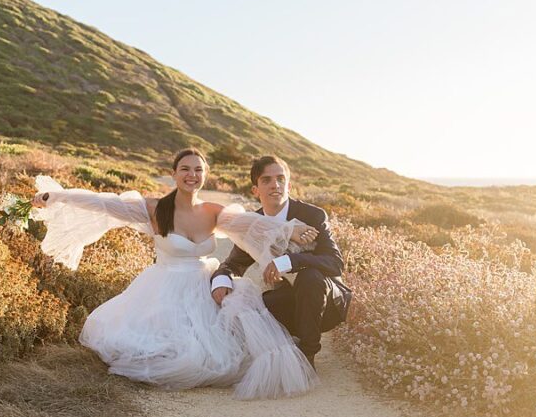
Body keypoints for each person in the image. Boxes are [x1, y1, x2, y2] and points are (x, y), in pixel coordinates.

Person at [30, 148, 321, 399]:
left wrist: (290, 229)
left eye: (198, 170)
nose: (191, 175)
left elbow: (250, 223)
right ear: (174, 174)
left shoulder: (213, 211)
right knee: (167, 350)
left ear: (204, 175)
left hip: (201, 282)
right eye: (185, 169)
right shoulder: (155, 208)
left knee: (227, 347)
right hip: (164, 285)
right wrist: (57, 197)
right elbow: (105, 203)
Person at [210, 155, 350, 369]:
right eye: (266, 180)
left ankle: (308, 354)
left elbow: (334, 263)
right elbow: (232, 264)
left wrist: (288, 261)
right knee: (248, 305)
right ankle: (284, 345)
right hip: (287, 301)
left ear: (289, 184)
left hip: (325, 301)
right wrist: (221, 281)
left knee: (310, 276)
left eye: (280, 179)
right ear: (255, 190)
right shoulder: (253, 224)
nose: (275, 185)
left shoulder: (312, 215)